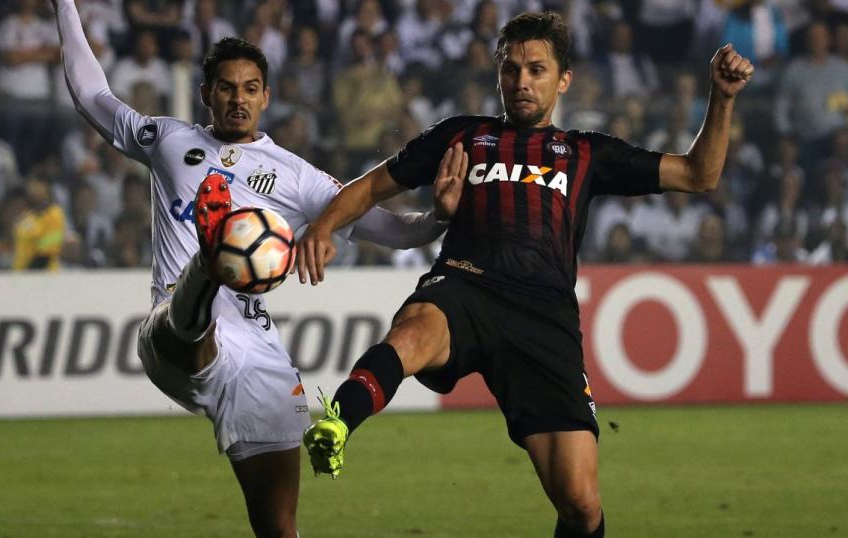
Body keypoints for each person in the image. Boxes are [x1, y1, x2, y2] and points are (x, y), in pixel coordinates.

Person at [298, 11, 754, 538]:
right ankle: (337, 422)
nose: (521, 82)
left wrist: (721, 99)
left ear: (564, 79)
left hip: (544, 316)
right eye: (510, 69)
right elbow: (372, 187)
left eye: (536, 70)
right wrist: (324, 226)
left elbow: (700, 174)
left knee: (581, 506)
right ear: (497, 75)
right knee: (414, 330)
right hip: (466, 285)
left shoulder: (587, 152)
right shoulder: (462, 136)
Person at [49, 1, 447, 536]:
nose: (239, 99)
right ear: (207, 93)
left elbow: (399, 232)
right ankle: (213, 263)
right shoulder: (170, 141)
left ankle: (219, 260)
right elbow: (93, 95)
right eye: (227, 87)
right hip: (175, 326)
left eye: (250, 88)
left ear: (266, 96)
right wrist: (64, 5)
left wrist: (441, 215)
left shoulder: (297, 177)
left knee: (278, 528)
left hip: (256, 353)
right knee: (197, 302)